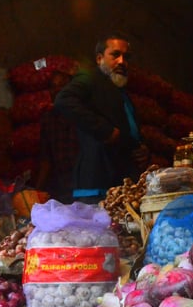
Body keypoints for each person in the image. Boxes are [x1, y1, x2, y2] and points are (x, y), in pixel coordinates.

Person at [54, 32, 150, 204]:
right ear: (99, 59)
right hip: (97, 181)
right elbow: (64, 100)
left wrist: (140, 148)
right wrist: (104, 130)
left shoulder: (121, 92)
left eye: (126, 57)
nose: (122, 61)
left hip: (120, 180)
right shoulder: (90, 80)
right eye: (115, 55)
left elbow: (127, 129)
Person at [35, 71, 78, 204]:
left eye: (62, 86)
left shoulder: (82, 115)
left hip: (83, 184)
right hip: (60, 186)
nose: (57, 90)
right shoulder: (48, 120)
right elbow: (45, 159)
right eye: (53, 87)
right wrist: (37, 191)